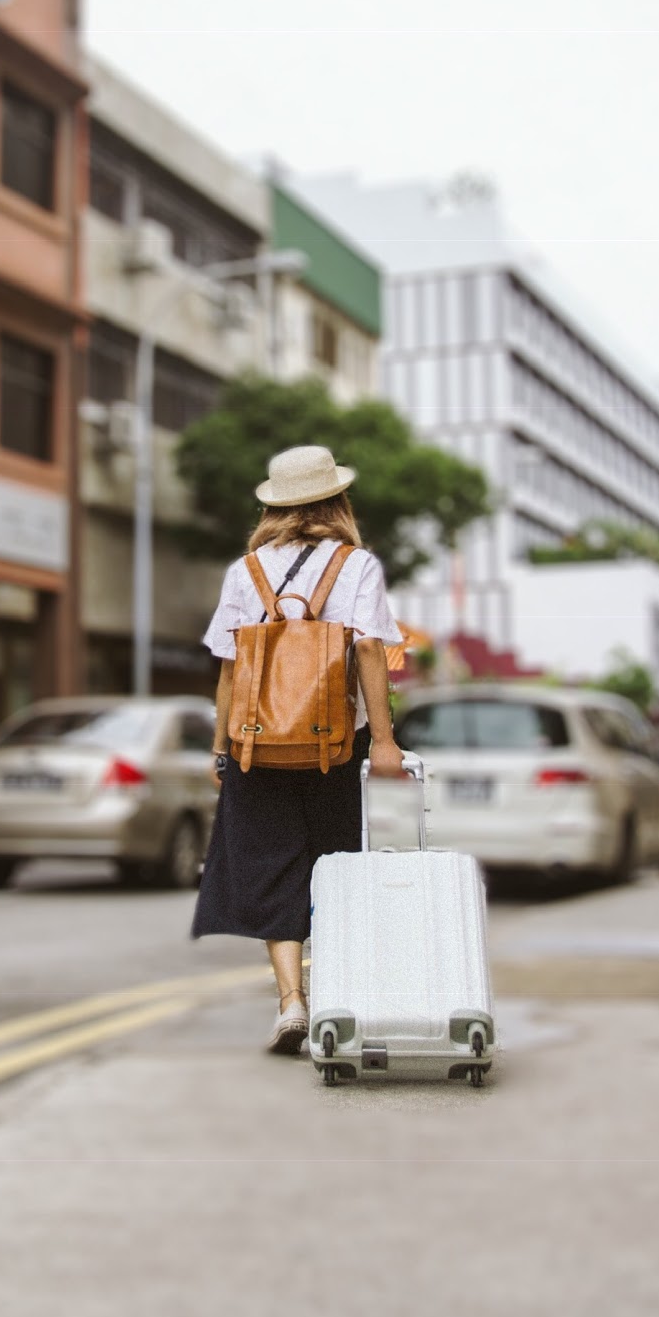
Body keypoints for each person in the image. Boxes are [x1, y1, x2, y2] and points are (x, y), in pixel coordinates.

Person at [192, 444, 406, 1055]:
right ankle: (334, 993)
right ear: (336, 500)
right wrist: (385, 741)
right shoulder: (355, 565)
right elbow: (368, 650)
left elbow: (231, 666)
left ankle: (291, 1002)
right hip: (333, 744)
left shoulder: (247, 570)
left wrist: (220, 748)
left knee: (268, 864)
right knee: (333, 863)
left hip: (256, 743)